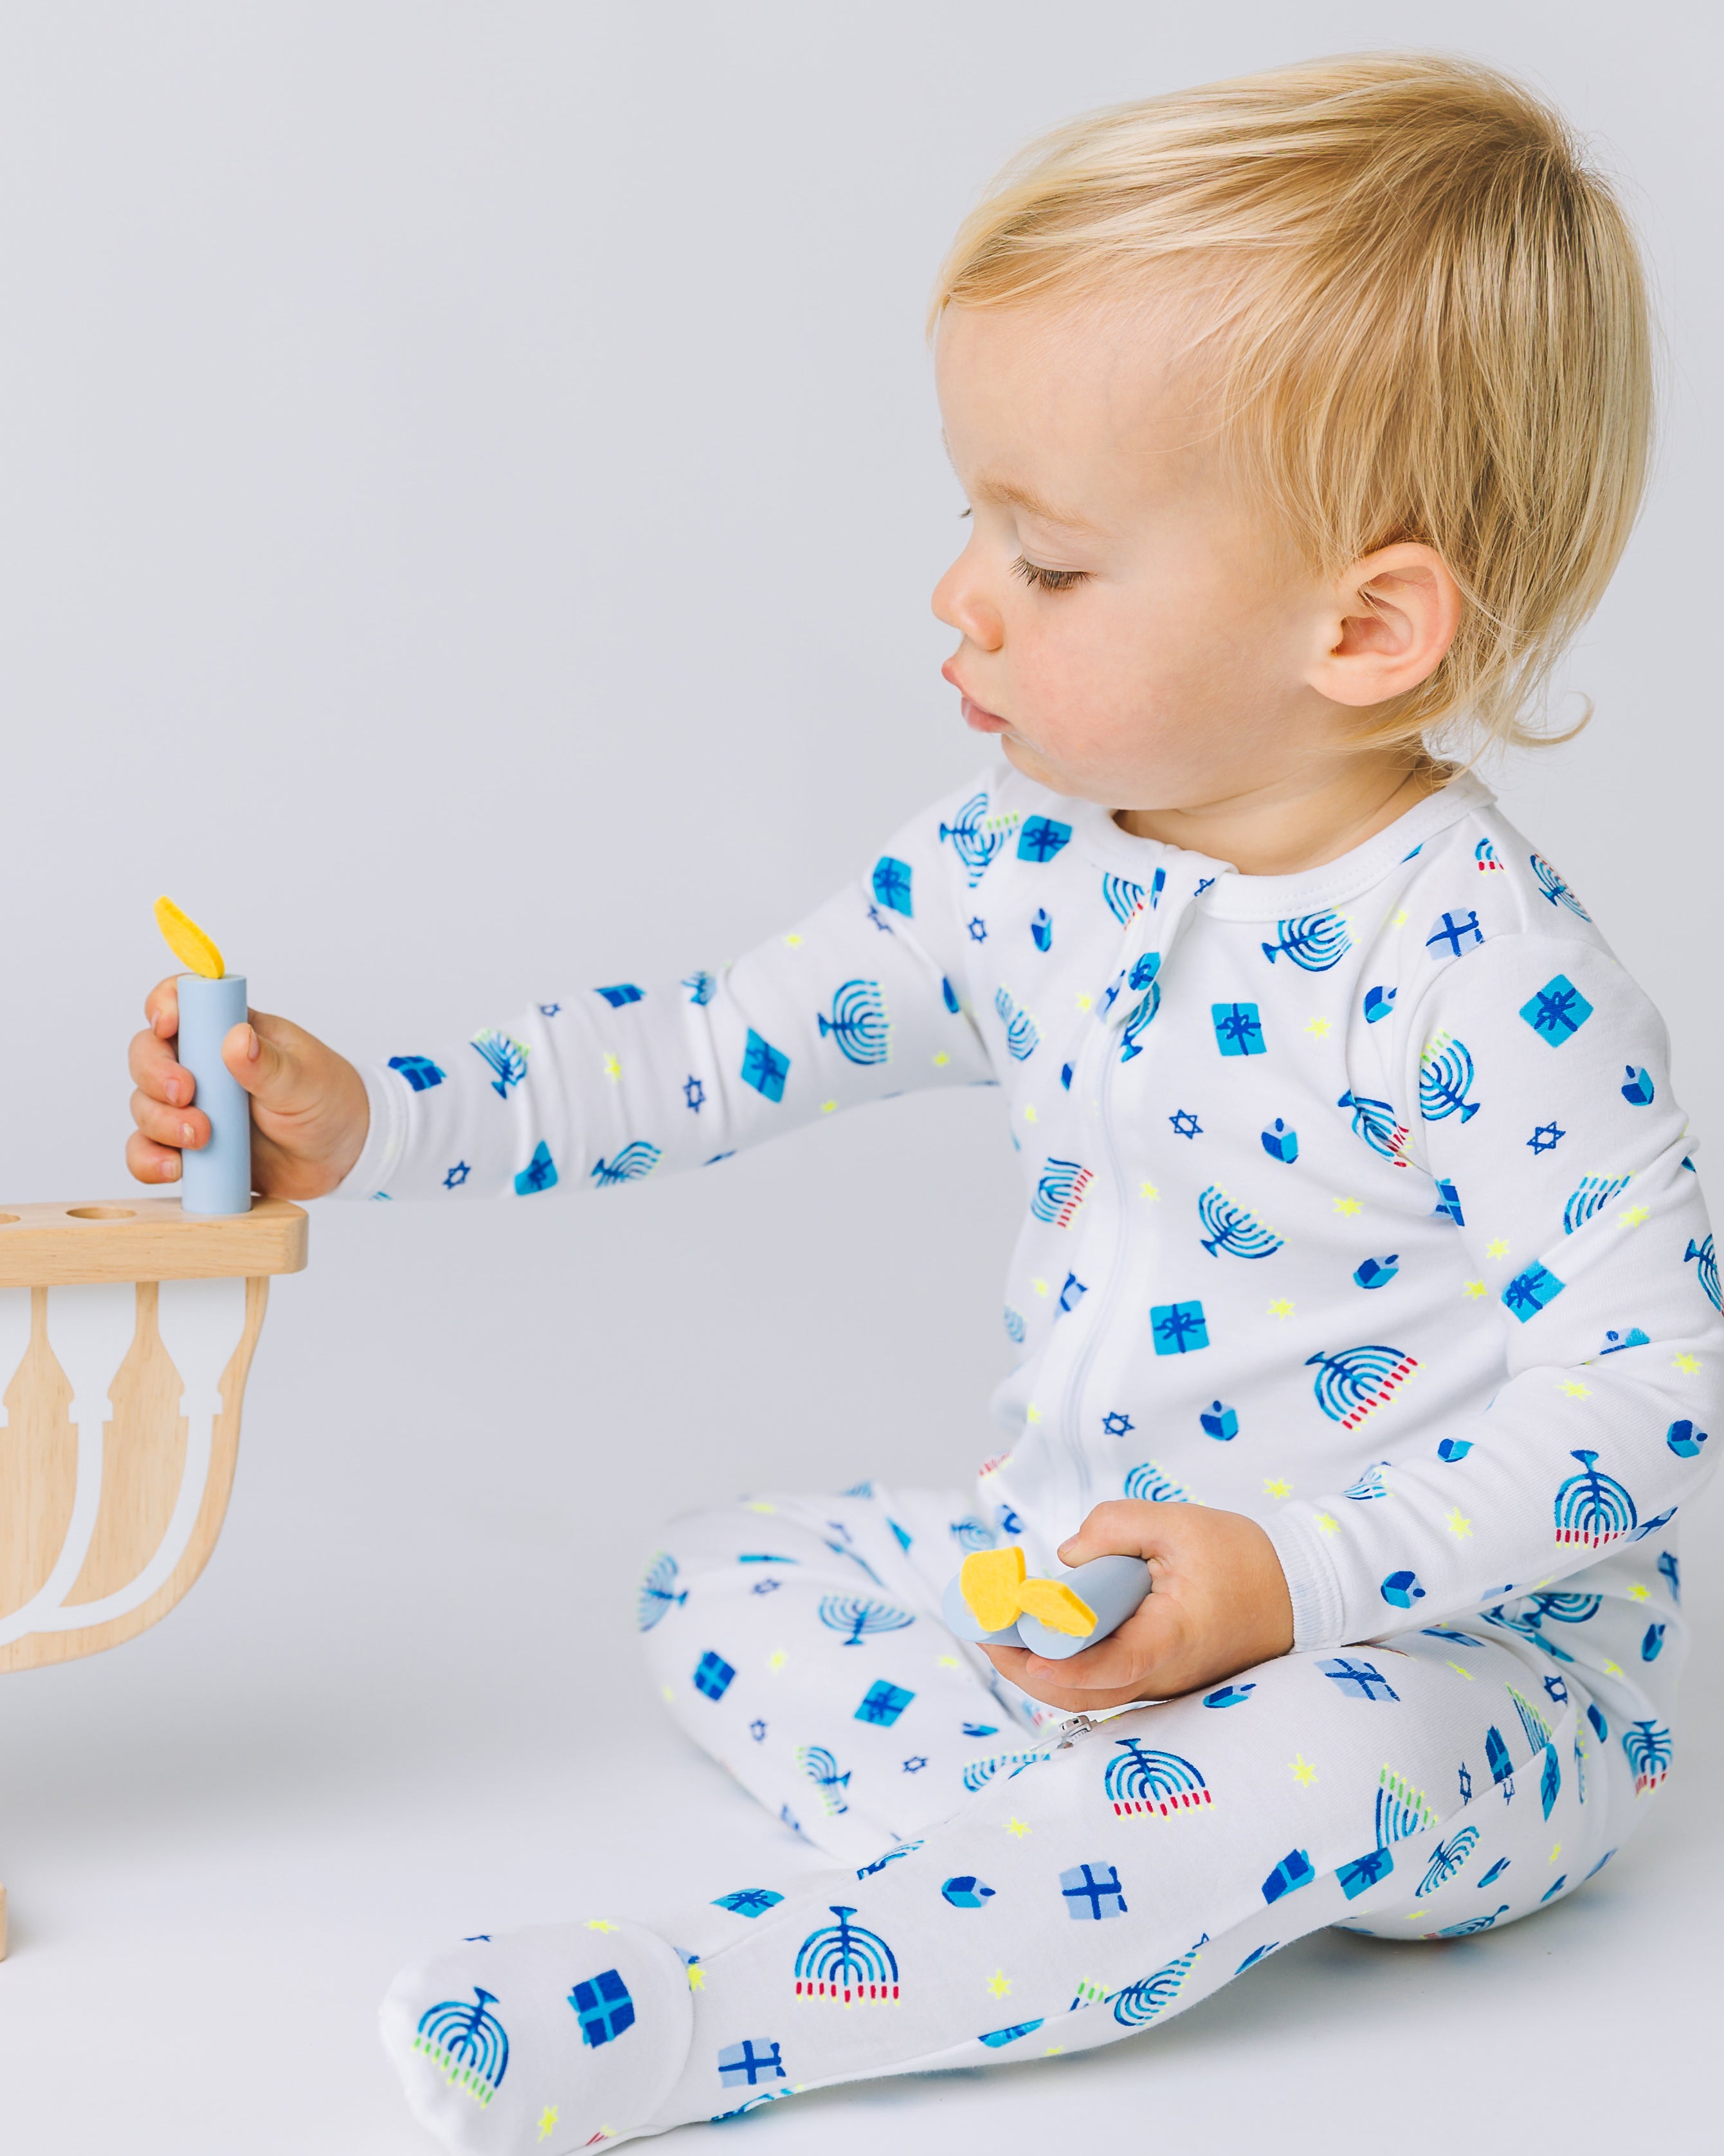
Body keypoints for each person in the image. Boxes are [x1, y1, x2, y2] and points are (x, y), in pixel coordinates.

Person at [125, 51, 1719, 2153]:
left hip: (1450, 1668)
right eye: (971, 519)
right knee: (716, 1582)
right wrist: (375, 1114)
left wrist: (1296, 1585)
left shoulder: (1483, 978)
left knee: (1320, 1766)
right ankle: (1063, 1856)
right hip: (1067, 1574)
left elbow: (1652, 1393)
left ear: (1360, 626)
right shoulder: (1011, 866)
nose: (959, 598)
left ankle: (711, 2007)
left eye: (1046, 563)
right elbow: (699, 1048)